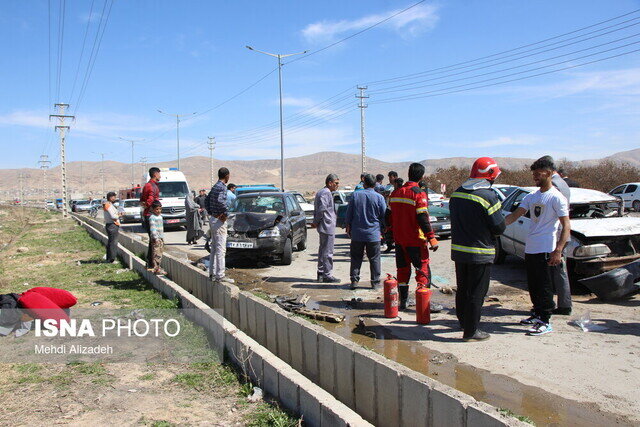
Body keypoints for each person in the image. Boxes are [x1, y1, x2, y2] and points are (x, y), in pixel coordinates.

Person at [506, 157, 571, 336]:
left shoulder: (557, 197)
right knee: (533, 284)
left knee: (544, 285)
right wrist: (495, 227)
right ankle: (536, 313)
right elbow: (514, 215)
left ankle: (546, 320)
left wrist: (558, 250)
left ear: (549, 173)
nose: (534, 177)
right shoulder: (531, 196)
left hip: (546, 247)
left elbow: (566, 226)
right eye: (533, 174)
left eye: (538, 174)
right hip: (531, 247)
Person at [449, 158, 506, 341]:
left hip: (460, 252)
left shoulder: (457, 193)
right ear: (490, 176)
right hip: (480, 253)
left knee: (463, 289)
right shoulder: (488, 197)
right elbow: (499, 227)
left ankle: (464, 322)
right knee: (477, 292)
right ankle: (471, 331)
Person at [388, 163, 441, 312]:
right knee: (422, 270)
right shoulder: (418, 193)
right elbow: (422, 217)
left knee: (403, 270)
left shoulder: (396, 193)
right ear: (421, 176)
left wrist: (392, 230)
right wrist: (431, 237)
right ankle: (424, 304)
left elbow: (387, 216)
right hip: (415, 240)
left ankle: (403, 302)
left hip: (399, 240)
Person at [542, 157, 573, 315]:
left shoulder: (554, 185)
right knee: (560, 270)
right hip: (561, 233)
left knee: (556, 270)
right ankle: (563, 303)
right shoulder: (563, 182)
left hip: (556, 234)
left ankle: (562, 305)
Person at [346, 174, 387, 289]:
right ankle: (375, 282)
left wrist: (348, 226)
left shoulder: (355, 195)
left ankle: (354, 281)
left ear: (364, 183)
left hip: (357, 234)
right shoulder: (379, 198)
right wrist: (384, 227)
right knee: (374, 258)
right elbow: (383, 215)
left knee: (356, 257)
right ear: (375, 184)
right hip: (373, 234)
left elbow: (349, 213)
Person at [206, 167, 234, 284]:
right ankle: (220, 275)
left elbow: (207, 201)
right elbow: (220, 201)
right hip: (218, 221)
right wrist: (225, 214)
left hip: (213, 219)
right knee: (221, 250)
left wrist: (211, 213)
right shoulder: (222, 187)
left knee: (214, 249)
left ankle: (212, 273)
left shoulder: (214, 187)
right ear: (227, 175)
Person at [312, 174, 340, 283]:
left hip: (325, 225)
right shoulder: (326, 192)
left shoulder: (322, 192)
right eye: (336, 183)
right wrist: (315, 222)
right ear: (330, 183)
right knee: (328, 251)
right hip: (327, 225)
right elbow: (321, 209)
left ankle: (321, 273)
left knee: (323, 250)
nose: (337, 185)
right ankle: (327, 274)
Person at [140, 167, 161, 269]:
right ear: (155, 174)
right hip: (151, 216)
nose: (160, 176)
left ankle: (150, 263)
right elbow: (150, 200)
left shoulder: (149, 185)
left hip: (148, 214)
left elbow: (142, 200)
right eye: (159, 174)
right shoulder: (151, 186)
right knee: (155, 240)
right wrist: (153, 208)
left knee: (152, 240)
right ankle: (153, 264)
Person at [148, 201, 167, 275]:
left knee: (160, 253)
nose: (159, 211)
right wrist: (155, 238)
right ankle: (156, 269)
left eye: (160, 209)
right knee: (156, 254)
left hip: (160, 238)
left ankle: (158, 268)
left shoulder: (160, 216)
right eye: (157, 209)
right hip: (156, 239)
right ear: (152, 209)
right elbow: (153, 229)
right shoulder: (152, 217)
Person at [103, 191, 122, 264]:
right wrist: (119, 215)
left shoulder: (108, 205)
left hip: (110, 225)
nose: (115, 198)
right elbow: (113, 216)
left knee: (111, 242)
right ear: (111, 197)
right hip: (112, 225)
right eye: (114, 197)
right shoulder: (109, 205)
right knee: (113, 243)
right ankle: (111, 259)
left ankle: (109, 258)